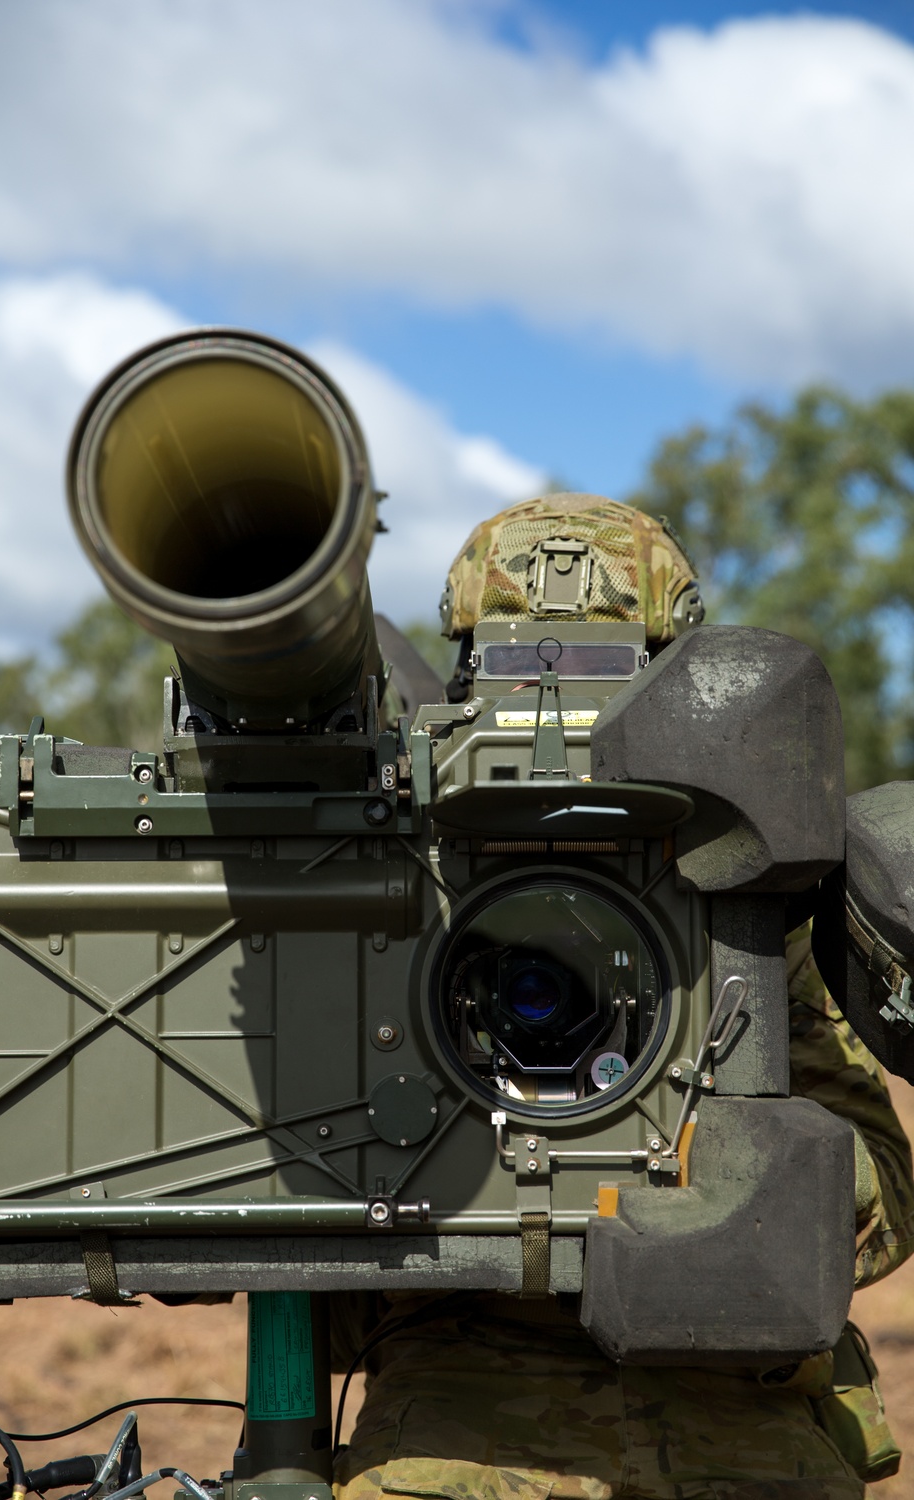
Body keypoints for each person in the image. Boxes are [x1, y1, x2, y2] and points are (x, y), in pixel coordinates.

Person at [333, 494, 914, 1500]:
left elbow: (868, 1224)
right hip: (606, 1439)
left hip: (533, 1444)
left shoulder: (745, 890)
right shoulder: (384, 878)